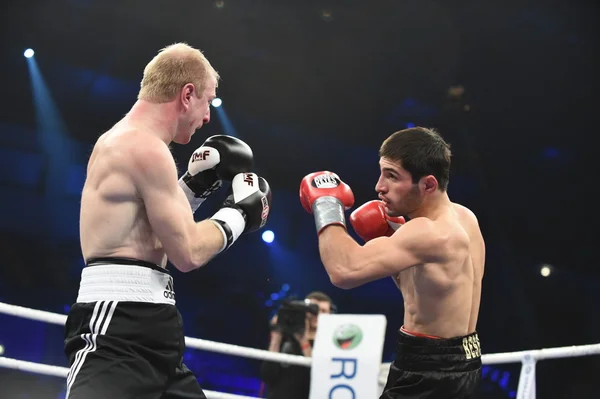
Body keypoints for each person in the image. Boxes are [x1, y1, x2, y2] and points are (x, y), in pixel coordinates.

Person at [64, 43, 272, 399]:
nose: (207, 116)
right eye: (207, 101)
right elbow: (187, 252)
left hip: (152, 325)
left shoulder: (133, 143)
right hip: (117, 327)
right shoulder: (144, 147)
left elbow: (153, 231)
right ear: (187, 94)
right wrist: (240, 213)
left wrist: (195, 186)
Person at [299, 127, 484, 399]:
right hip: (460, 362)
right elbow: (425, 293)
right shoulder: (465, 218)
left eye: (392, 176)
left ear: (428, 185)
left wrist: (326, 204)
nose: (379, 187)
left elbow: (343, 270)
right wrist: (388, 234)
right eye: (382, 172)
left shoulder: (429, 233)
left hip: (429, 371)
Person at [260, 292, 334, 399]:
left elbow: (320, 380)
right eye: (313, 309)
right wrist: (276, 337)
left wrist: (304, 342)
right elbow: (267, 376)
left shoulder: (329, 344)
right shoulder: (285, 337)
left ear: (330, 314)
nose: (317, 314)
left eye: (323, 311)